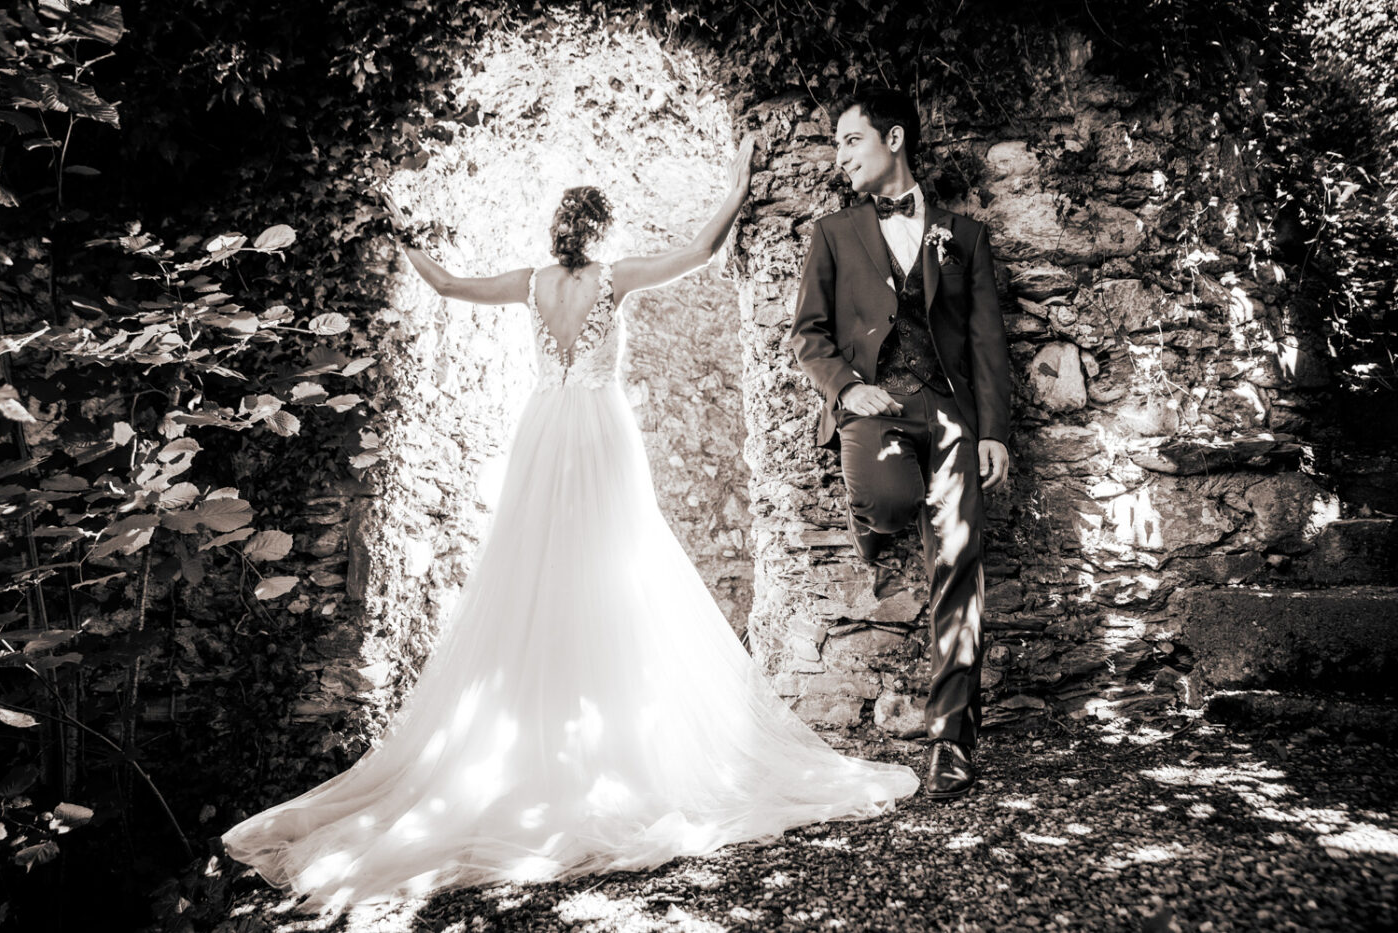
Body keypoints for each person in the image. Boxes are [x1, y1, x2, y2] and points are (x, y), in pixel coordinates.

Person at [221, 135, 918, 912]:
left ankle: (549, 729)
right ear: (601, 231)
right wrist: (737, 184)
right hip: (598, 430)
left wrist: (404, 237)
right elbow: (698, 249)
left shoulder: (531, 282)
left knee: (534, 569)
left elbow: (448, 284)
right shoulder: (613, 280)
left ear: (558, 230)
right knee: (619, 566)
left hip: (542, 430)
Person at [788, 88, 1012, 801]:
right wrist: (846, 390)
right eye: (835, 146)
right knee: (886, 502)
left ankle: (952, 740)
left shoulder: (964, 237)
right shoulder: (833, 233)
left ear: (892, 138)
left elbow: (985, 343)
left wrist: (993, 433)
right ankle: (874, 524)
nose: (840, 156)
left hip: (948, 414)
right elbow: (808, 335)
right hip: (873, 407)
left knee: (959, 560)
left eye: (850, 141)